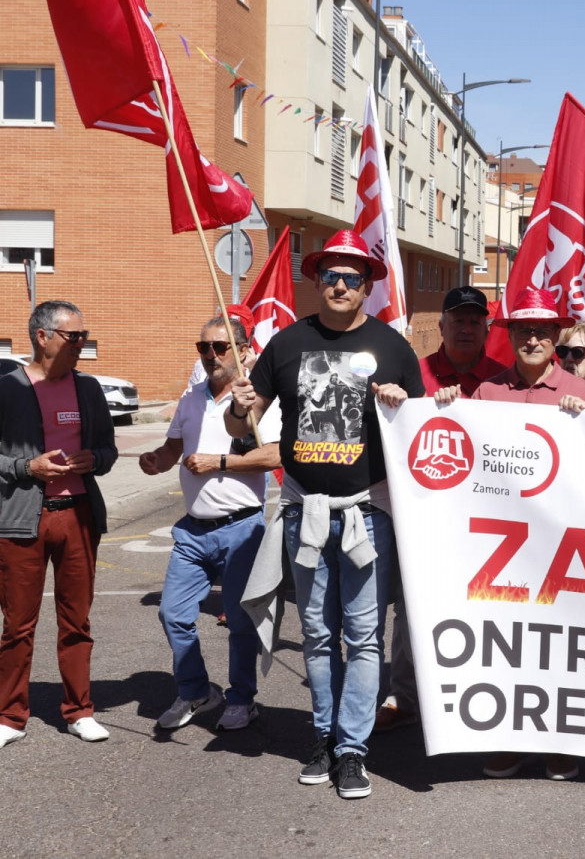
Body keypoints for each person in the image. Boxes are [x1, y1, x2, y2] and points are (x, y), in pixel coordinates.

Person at [228, 229, 424, 800]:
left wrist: (400, 403)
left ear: (367, 286)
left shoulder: (393, 346)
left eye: (352, 277)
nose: (340, 285)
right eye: (331, 276)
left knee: (363, 636)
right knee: (317, 633)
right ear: (317, 282)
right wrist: (240, 411)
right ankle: (322, 735)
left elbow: (418, 433)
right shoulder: (287, 344)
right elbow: (246, 427)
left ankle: (353, 749)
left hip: (369, 515)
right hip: (303, 516)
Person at [439, 288, 585, 781]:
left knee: (558, 648)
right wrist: (446, 407)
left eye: (542, 331)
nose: (532, 338)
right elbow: (462, 458)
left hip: (561, 545)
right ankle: (508, 739)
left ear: (556, 337)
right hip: (502, 546)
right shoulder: (484, 393)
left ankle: (559, 743)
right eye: (523, 330)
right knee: (505, 645)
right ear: (509, 337)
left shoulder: (582, 393)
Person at [139, 317, 281, 732]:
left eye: (221, 347)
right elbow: (172, 449)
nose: (212, 356)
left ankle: (242, 699)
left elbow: (274, 457)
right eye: (204, 347)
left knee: (239, 620)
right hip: (193, 528)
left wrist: (219, 463)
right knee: (173, 614)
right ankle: (196, 691)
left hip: (241, 527)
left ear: (242, 349)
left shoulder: (259, 399)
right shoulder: (190, 400)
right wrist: (155, 461)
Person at [374, 286, 503, 735]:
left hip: (485, 522)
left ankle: (475, 696)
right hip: (422, 517)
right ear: (442, 326)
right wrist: (391, 400)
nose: (466, 329)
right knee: (412, 608)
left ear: (485, 328)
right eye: (458, 321)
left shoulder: (503, 381)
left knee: (485, 612)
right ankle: (403, 695)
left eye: (474, 321)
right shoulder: (413, 373)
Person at [0, 301, 117, 747]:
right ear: (42, 336)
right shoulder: (6, 388)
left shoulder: (88, 389)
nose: (81, 344)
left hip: (79, 517)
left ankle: (79, 710)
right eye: (74, 337)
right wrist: (27, 467)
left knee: (76, 620)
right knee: (17, 625)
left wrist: (95, 459)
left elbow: (106, 449)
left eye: (83, 336)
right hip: (20, 522)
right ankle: (10, 716)